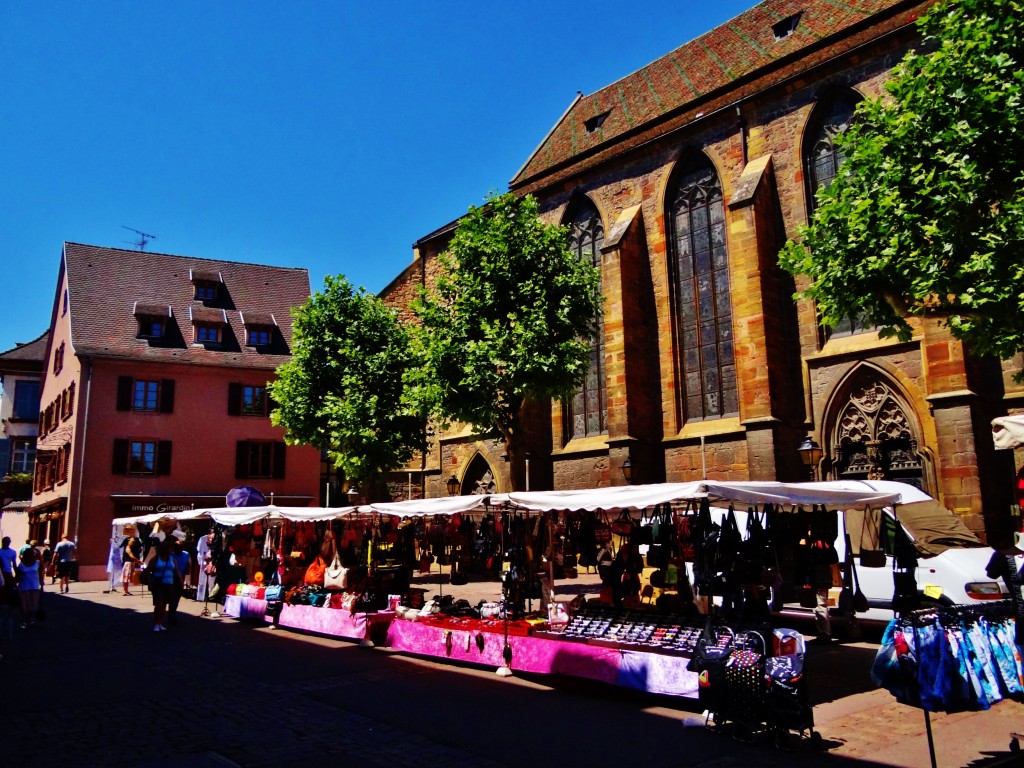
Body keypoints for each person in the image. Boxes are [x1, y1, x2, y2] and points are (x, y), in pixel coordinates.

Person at [144, 538, 181, 632]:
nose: (172, 549)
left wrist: (179, 580)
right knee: (158, 603)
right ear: (166, 548)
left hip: (169, 583)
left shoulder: (172, 559)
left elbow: (176, 570)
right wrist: (149, 582)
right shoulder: (156, 558)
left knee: (164, 603)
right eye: (171, 548)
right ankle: (156, 623)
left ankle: (160, 623)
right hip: (158, 583)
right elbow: (148, 570)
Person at [15, 546, 43, 628]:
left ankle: (30, 619)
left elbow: (40, 574)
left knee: (33, 605)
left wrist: (42, 585)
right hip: (23, 587)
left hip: (34, 587)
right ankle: (24, 620)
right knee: (24, 605)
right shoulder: (21, 565)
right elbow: (17, 577)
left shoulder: (37, 563)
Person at [166, 534, 190, 625]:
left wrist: (188, 569)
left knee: (178, 596)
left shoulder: (186, 554)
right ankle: (171, 615)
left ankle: (173, 612)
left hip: (181, 577)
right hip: (172, 577)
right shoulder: (171, 555)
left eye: (180, 547)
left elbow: (187, 564)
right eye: (177, 547)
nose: (179, 548)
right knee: (172, 597)